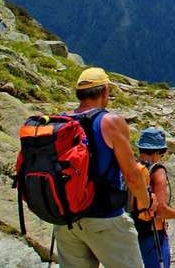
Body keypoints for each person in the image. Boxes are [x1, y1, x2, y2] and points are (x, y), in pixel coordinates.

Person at [54, 67, 149, 268]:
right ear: (104, 91)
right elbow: (132, 175)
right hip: (105, 218)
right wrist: (146, 203)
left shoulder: (61, 122)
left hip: (66, 220)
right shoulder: (111, 122)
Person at [133, 127, 175, 268]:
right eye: (162, 153)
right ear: (157, 152)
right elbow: (160, 210)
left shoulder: (132, 169)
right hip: (152, 235)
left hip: (130, 232)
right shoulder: (157, 171)